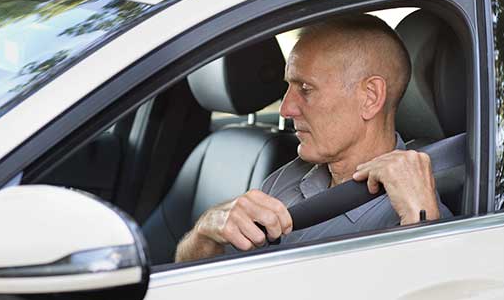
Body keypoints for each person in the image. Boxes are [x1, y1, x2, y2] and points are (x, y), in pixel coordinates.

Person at [175, 14, 452, 262]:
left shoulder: (415, 206)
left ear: (370, 97)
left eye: (306, 89)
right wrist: (204, 235)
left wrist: (420, 222)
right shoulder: (286, 179)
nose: (285, 109)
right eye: (289, 87)